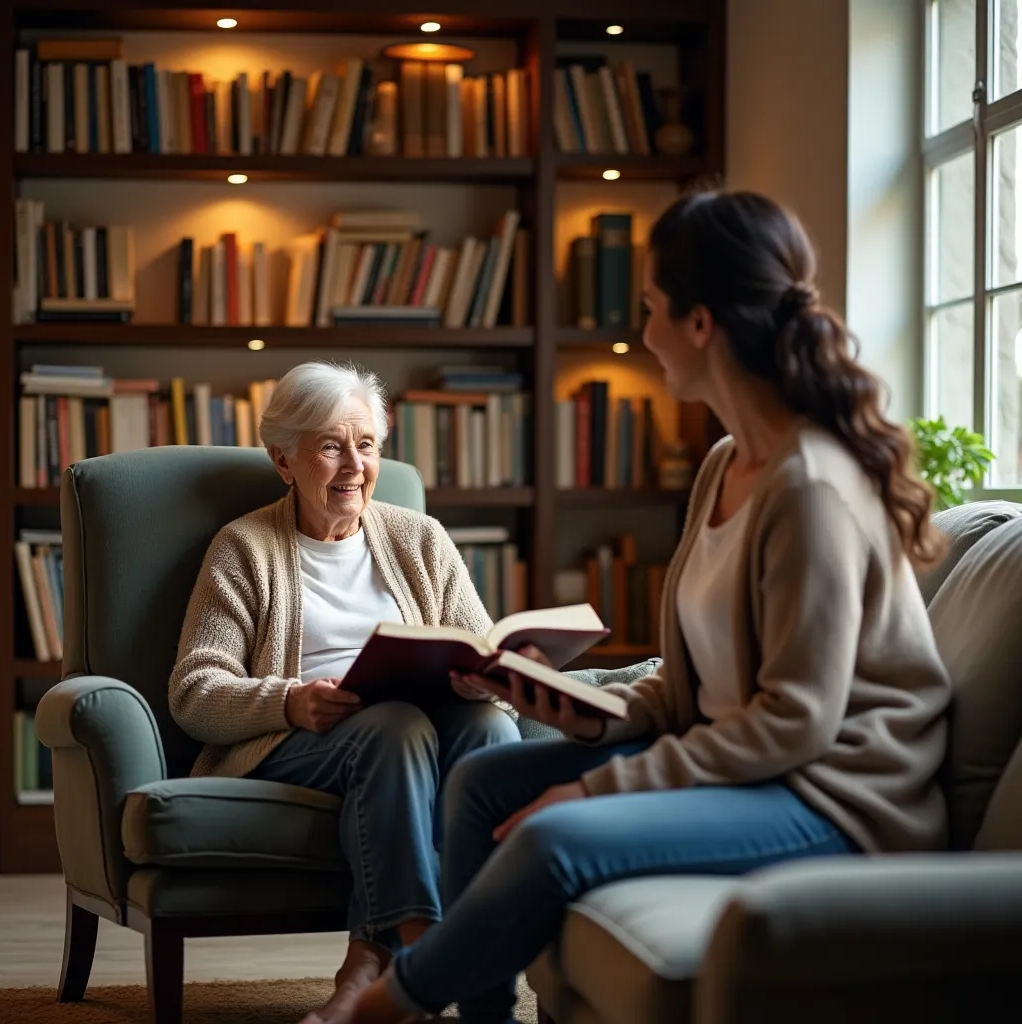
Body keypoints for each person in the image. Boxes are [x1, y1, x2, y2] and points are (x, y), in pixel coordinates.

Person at [349, 190, 953, 1024]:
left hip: (833, 794)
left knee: (553, 835)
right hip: (752, 763)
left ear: (700, 324)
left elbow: (795, 722)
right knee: (480, 783)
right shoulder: (724, 465)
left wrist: (602, 789)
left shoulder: (810, 488)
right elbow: (694, 685)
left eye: (650, 308)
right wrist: (581, 708)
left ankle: (391, 1003)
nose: (643, 332)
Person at [167, 361, 520, 1024]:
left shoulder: (420, 540)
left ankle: (456, 960)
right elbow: (194, 690)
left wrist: (481, 680)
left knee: (491, 730)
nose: (355, 466)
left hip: (414, 729)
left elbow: (487, 658)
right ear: (283, 460)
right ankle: (406, 958)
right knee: (395, 727)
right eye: (331, 446)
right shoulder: (244, 548)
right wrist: (289, 700)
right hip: (300, 738)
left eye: (366, 445)